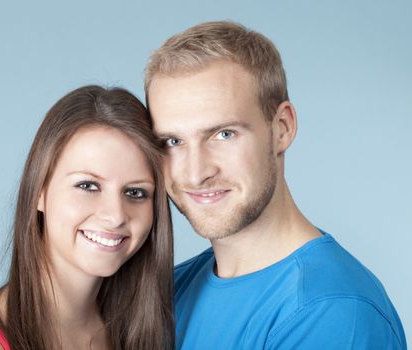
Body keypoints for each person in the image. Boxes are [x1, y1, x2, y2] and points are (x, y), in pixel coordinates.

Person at [145, 21, 406, 349]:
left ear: (282, 128)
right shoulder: (173, 290)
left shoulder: (330, 311)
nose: (196, 173)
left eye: (224, 134)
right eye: (172, 141)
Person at [0, 85, 174, 350]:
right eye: (88, 186)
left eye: (135, 192)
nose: (115, 215)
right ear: (38, 191)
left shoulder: (149, 325)